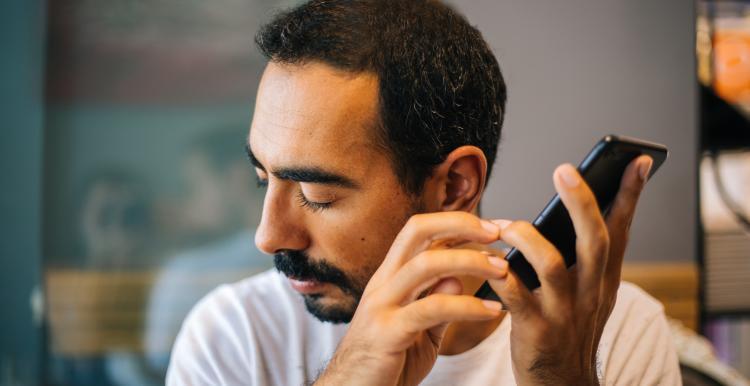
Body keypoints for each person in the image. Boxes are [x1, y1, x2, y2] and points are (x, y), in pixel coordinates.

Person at [167, 1, 681, 385]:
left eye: (318, 193)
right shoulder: (234, 336)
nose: (268, 235)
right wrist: (351, 373)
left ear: (455, 186)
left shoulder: (616, 333)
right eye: (265, 179)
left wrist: (561, 377)